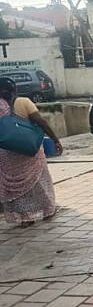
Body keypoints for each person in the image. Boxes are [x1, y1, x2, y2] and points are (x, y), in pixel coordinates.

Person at [0, 77, 62, 226]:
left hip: (6, 153)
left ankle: (25, 218)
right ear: (14, 89)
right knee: (40, 181)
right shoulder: (23, 102)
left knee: (14, 187)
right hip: (30, 150)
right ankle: (48, 210)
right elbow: (40, 122)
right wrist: (55, 139)